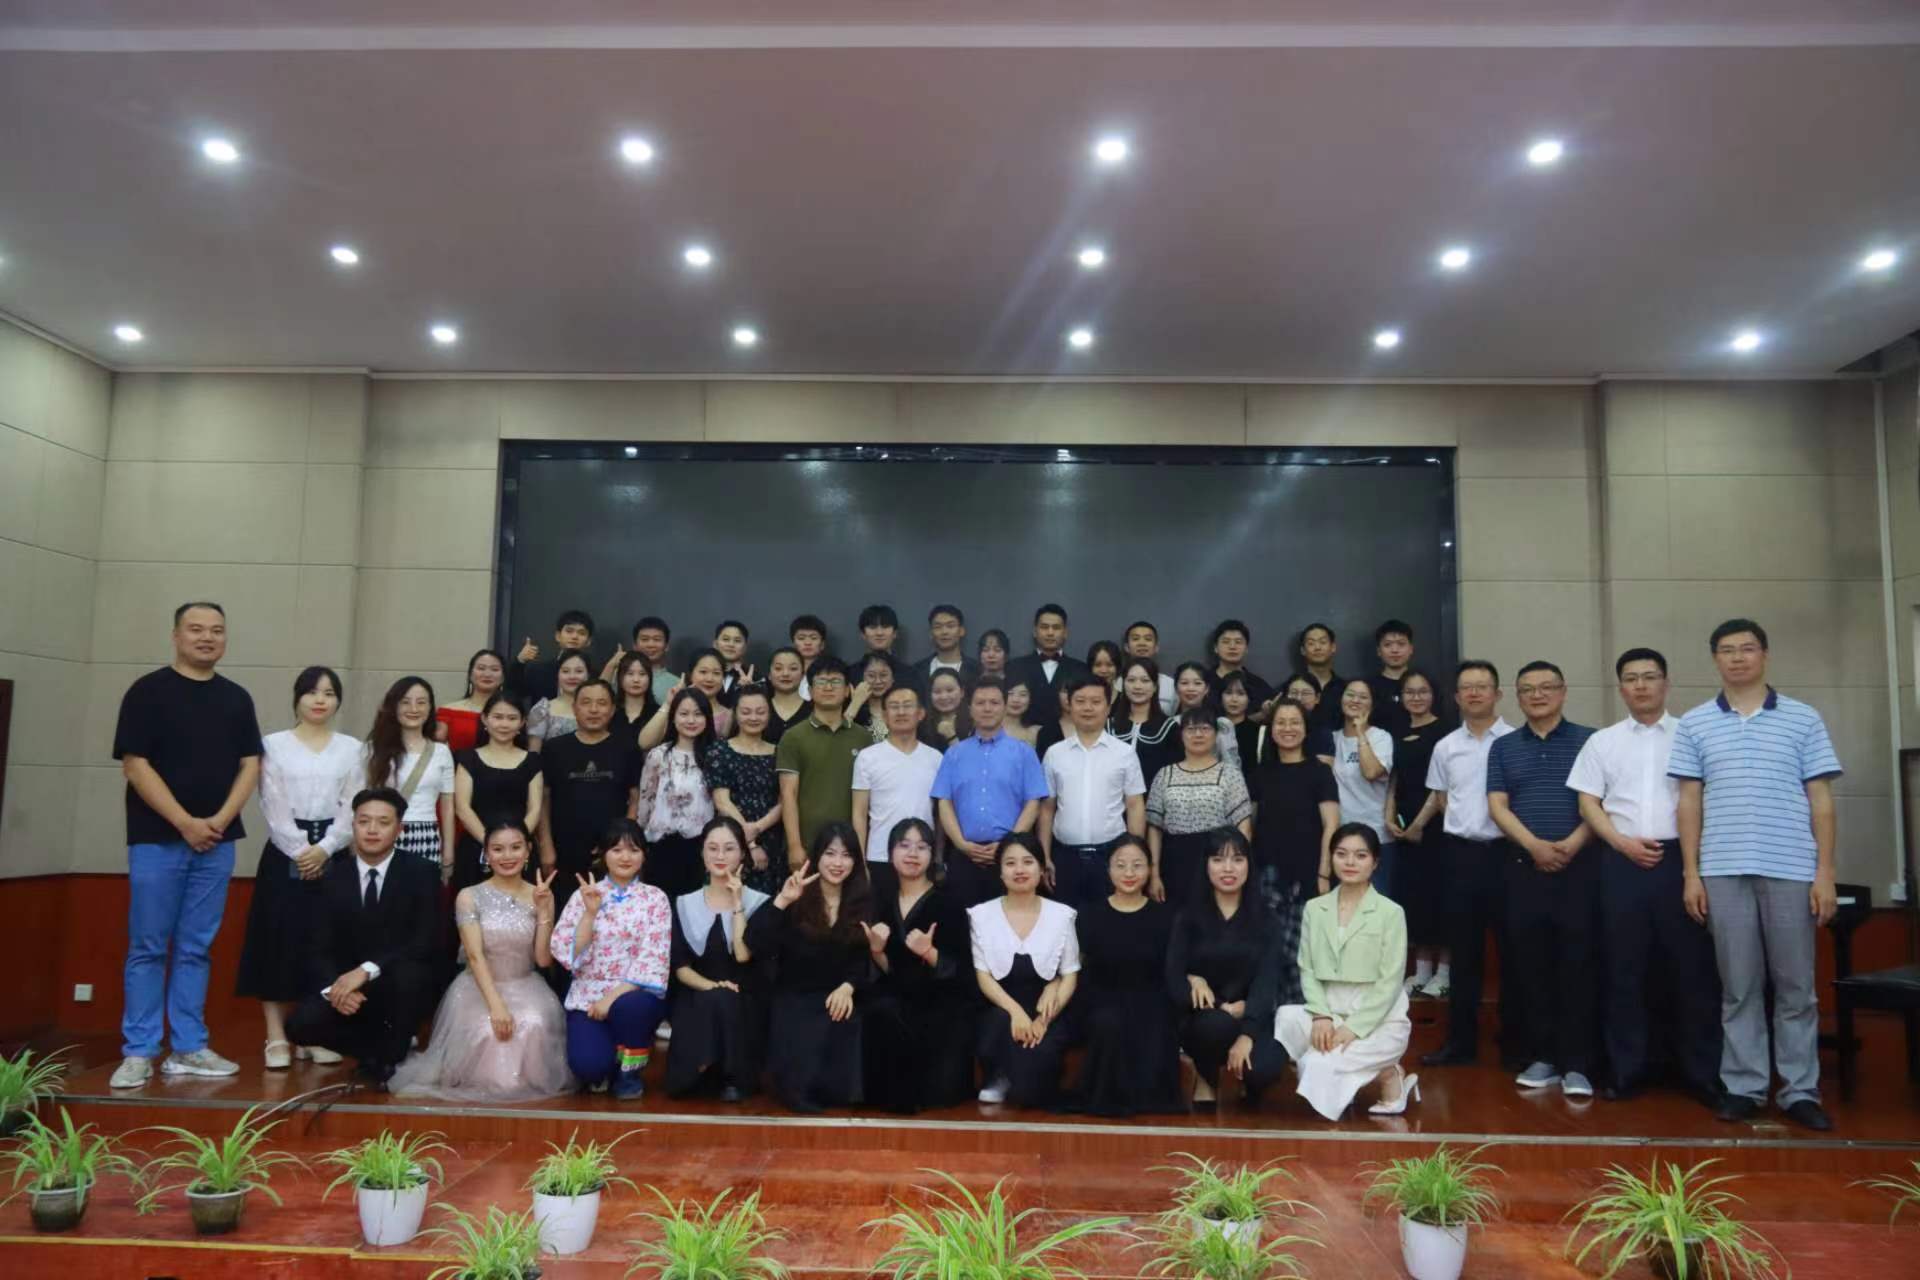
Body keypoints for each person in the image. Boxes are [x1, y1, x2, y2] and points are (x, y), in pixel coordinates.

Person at [1671, 619, 1841, 1132]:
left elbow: (1821, 800)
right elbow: (1689, 802)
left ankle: (1799, 1091)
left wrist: (1825, 872)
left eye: (1747, 648)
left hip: (1791, 868)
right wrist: (1691, 874)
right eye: (1727, 650)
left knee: (1796, 987)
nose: (1738, 658)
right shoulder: (1696, 723)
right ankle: (1744, 1086)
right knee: (1739, 986)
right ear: (1715, 659)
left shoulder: (1803, 718)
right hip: (1722, 870)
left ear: (1765, 654)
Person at [1568, 648, 1722, 1108]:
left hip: (1682, 862)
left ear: (1666, 683)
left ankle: (1700, 1073)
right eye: (1631, 678)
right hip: (1621, 862)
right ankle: (1627, 1070)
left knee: (1692, 970)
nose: (1641, 685)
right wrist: (1620, 843)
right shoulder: (1604, 741)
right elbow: (1588, 802)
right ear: (1621, 688)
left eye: (1650, 677)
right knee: (1624, 968)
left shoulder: (1693, 735)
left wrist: (1693, 866)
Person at [389, 822, 573, 1102]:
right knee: (489, 1031)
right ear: (486, 854)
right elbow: (474, 956)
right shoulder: (469, 896)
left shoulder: (540, 894)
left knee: (533, 1023)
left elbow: (542, 959)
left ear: (528, 851)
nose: (507, 856)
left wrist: (545, 910)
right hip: (479, 987)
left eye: (515, 847)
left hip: (525, 984)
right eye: (498, 849)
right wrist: (497, 1006)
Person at [236, 666, 358, 1072]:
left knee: (325, 942)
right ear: (297, 698)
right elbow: (272, 803)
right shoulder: (273, 746)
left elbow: (353, 805)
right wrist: (302, 851)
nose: (320, 700)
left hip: (334, 852)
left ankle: (312, 1033)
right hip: (283, 852)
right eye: (312, 692)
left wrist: (325, 849)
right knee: (278, 940)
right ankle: (275, 1036)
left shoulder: (352, 749)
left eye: (329, 693)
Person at [1488, 660, 1598, 1096]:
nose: (1537, 695)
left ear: (1563, 691)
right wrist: (1534, 846)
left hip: (1580, 868)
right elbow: (1498, 806)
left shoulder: (1591, 741)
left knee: (1579, 965)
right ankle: (1543, 1058)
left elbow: (1600, 803)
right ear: (1517, 697)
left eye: (1546, 687)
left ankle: (1578, 1063)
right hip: (1523, 868)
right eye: (1528, 689)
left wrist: (1571, 844)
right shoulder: (1504, 747)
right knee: (1530, 966)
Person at [286, 788, 442, 1086]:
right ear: (353, 825)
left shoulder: (421, 872)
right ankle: (378, 1053)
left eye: (383, 822)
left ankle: (388, 1052)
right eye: (364, 821)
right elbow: (317, 947)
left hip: (396, 982)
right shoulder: (331, 877)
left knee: (411, 977)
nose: (372, 830)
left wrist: (368, 970)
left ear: (399, 829)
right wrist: (335, 990)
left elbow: (424, 939)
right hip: (348, 988)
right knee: (300, 1024)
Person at [1417, 662, 1520, 1070]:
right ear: (1457, 697)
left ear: (1497, 693)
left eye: (1483, 686)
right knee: (1464, 953)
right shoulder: (1446, 746)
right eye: (1467, 688)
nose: (1475, 694)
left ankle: (1514, 1041)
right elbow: (1442, 799)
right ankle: (1460, 1044)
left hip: (1508, 855)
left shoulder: (1516, 741)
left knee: (1513, 951)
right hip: (1461, 856)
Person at [1277, 823, 1416, 1119]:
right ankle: (1362, 1075)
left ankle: (1388, 1074)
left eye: (1360, 855)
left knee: (1316, 1065)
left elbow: (1391, 982)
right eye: (1341, 854)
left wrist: (1353, 1028)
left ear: (1375, 862)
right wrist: (1321, 1015)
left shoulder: (1391, 912)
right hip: (1330, 1012)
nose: (1350, 862)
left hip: (1378, 1019)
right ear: (1331, 857)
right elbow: (1307, 967)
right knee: (1286, 1018)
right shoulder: (1315, 908)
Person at [747, 824, 874, 1112]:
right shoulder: (797, 894)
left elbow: (864, 959)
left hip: (840, 994)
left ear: (856, 861)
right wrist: (782, 901)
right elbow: (755, 942)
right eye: (830, 853)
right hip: (795, 994)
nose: (838, 863)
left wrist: (848, 987)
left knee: (847, 1019)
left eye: (846, 855)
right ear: (816, 857)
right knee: (801, 1031)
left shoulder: (864, 900)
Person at [551, 820, 673, 1100]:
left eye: (633, 850)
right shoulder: (584, 895)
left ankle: (629, 1072)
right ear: (603, 854)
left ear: (644, 855)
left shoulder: (655, 898)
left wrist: (610, 999)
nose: (625, 857)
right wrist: (590, 913)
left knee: (632, 1008)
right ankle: (607, 1064)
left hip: (633, 994)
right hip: (587, 996)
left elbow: (652, 959)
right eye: (616, 850)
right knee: (589, 1066)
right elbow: (566, 953)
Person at [1167, 829, 1288, 1109]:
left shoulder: (1267, 919)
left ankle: (1249, 1083)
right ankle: (1206, 1076)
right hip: (1204, 1019)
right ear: (1206, 865)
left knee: (1266, 1065)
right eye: (1218, 860)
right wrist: (1199, 985)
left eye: (1237, 859)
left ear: (1249, 865)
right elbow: (1173, 977)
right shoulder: (1188, 917)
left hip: (1253, 1015)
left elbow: (1267, 980)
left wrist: (1248, 1031)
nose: (1228, 868)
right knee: (1214, 1026)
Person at [861, 818, 975, 1114]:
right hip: (897, 1000)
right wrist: (877, 952)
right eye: (904, 845)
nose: (912, 854)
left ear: (932, 855)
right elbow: (889, 970)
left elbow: (964, 973)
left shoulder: (949, 903)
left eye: (921, 847)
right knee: (881, 1010)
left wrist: (931, 953)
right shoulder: (880, 903)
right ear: (890, 854)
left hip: (940, 1003)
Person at [1070, 836, 1182, 1116]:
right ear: (1108, 869)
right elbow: (1078, 967)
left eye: (1137, 865)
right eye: (1120, 865)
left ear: (1150, 869)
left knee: (1157, 1021)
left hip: (1151, 998)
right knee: (1108, 1021)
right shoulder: (1089, 914)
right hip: (1102, 997)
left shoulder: (1166, 916)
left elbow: (1174, 969)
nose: (1129, 873)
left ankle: (1149, 1098)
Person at [970, 834, 1079, 1107]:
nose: (1019, 870)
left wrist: (1043, 1020)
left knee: (1031, 1091)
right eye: (1010, 863)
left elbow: (1070, 973)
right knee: (994, 1025)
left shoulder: (1062, 915)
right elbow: (983, 975)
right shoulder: (980, 915)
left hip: (1046, 1009)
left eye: (1028, 862)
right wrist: (1015, 1012)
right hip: (1000, 1008)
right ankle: (997, 1075)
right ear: (1000, 871)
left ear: (1041, 869)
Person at [667, 817, 769, 1100]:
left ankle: (730, 1074)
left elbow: (744, 955)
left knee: (729, 1000)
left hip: (743, 996)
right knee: (712, 999)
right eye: (712, 848)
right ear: (702, 853)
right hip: (697, 992)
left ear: (743, 854)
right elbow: (681, 968)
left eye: (729, 848)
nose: (720, 856)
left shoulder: (760, 903)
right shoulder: (684, 903)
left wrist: (737, 904)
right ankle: (706, 1071)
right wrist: (713, 987)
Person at [1247, 699, 1340, 1005]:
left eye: (1295, 722)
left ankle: (1302, 1016)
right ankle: (1270, 1018)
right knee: (1268, 951)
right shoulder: (1261, 772)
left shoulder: (1320, 772)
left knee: (1302, 953)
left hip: (1309, 874)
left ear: (1306, 729)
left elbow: (1331, 825)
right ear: (1271, 730)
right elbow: (1251, 824)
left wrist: (1324, 873)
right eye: (1281, 722)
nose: (1288, 729)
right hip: (1267, 874)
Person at [932, 677, 1052, 906]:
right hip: (964, 856)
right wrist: (961, 844)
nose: (987, 708)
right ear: (970, 708)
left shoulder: (1023, 753)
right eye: (980, 703)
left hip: (1010, 859)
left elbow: (1033, 802)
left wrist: (1009, 844)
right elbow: (944, 802)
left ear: (1005, 706)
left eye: (994, 702)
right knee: (963, 922)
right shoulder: (954, 754)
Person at [1039, 674, 1147, 909]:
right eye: (1080, 701)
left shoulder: (1124, 753)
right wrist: (1045, 857)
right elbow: (1046, 809)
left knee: (1108, 922)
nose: (1088, 708)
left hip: (1111, 856)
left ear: (1108, 707)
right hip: (1065, 857)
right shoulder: (1054, 753)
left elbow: (1135, 805)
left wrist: (1134, 856)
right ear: (1069, 705)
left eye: (1096, 702)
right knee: (1067, 922)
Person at [538, 680, 638, 906]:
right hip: (563, 850)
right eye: (586, 703)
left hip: (613, 852)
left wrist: (622, 844)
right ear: (574, 708)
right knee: (566, 913)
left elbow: (635, 798)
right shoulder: (554, 748)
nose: (594, 710)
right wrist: (546, 845)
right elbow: (543, 799)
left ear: (612, 709)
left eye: (602, 703)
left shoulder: (627, 748)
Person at [1383, 671, 1450, 997]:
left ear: (1433, 695)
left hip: (1435, 828)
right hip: (1403, 829)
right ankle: (1421, 972)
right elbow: (1394, 778)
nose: (1416, 697)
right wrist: (1388, 815)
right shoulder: (1396, 731)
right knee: (1414, 899)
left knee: (1440, 900)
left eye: (1423, 691)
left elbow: (1442, 785)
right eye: (1410, 692)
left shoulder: (1445, 731)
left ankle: (1444, 973)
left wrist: (1419, 824)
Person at [1146, 709, 1253, 910]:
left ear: (1216, 734)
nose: (1198, 734)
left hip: (1216, 860)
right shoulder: (1164, 774)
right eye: (1191, 729)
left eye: (1205, 728)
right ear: (1181, 735)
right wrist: (1154, 873)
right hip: (1174, 863)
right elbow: (1154, 829)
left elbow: (1243, 827)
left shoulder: (1229, 774)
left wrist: (1236, 868)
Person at [853, 684, 944, 900]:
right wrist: (860, 861)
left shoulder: (936, 758)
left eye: (907, 706)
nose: (901, 712)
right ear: (884, 716)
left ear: (920, 713)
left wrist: (939, 857)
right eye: (894, 706)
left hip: (923, 856)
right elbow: (859, 813)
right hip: (880, 856)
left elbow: (941, 815)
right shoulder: (867, 757)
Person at [356, 676, 456, 872]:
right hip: (381, 833)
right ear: (393, 706)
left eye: (421, 702)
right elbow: (358, 799)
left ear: (430, 708)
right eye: (405, 702)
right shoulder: (372, 750)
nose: (414, 709)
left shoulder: (441, 752)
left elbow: (447, 807)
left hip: (426, 835)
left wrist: (448, 853)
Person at [776, 656, 869, 863]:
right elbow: (788, 794)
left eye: (835, 681)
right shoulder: (793, 737)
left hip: (849, 848)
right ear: (810, 691)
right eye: (821, 682)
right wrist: (794, 846)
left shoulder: (863, 737)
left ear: (847, 690)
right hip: (807, 845)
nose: (828, 687)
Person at [451, 692, 544, 891]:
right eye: (498, 717)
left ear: (522, 723)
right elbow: (462, 808)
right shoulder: (467, 758)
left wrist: (515, 845)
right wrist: (491, 844)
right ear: (485, 719)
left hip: (520, 852)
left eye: (512, 718)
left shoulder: (532, 761)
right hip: (476, 847)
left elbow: (535, 809)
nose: (504, 724)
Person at [635, 687, 719, 903]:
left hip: (701, 848)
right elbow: (646, 801)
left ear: (707, 718)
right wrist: (639, 843)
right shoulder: (658, 755)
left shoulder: (716, 755)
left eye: (698, 714)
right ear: (673, 717)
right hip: (660, 846)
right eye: (684, 713)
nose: (691, 720)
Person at [707, 685, 787, 898]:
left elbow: (784, 801)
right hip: (730, 841)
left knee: (766, 906)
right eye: (746, 712)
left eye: (760, 712)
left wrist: (758, 828)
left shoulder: (780, 752)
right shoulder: (719, 751)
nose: (753, 717)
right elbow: (722, 802)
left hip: (771, 839)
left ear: (769, 714)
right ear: (735, 713)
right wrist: (750, 843)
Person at [1319, 679, 1395, 898]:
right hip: (1341, 838)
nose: (1355, 700)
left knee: (1376, 905)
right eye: (1350, 695)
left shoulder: (1380, 737)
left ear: (1372, 703)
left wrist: (1361, 732)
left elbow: (1371, 771)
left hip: (1376, 836)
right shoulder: (1332, 739)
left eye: (1363, 697)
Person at [1005, 604, 1092, 727]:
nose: (1050, 633)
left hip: (1067, 735)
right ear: (1035, 632)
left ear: (1065, 633)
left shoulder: (1080, 669)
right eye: (1044, 627)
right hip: (1025, 735)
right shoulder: (1014, 667)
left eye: (1056, 628)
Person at [1112, 656, 1180, 788]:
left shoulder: (1170, 728)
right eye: (1131, 680)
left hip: (1155, 798)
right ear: (1123, 684)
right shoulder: (1109, 726)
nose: (1137, 686)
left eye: (1145, 681)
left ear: (1155, 686)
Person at [640, 649, 733, 745]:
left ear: (723, 678)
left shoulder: (730, 715)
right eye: (703, 672)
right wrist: (668, 704)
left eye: (716, 673)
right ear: (691, 675)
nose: (709, 679)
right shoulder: (676, 709)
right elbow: (645, 743)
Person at [509, 609, 595, 704]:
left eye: (581, 633)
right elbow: (514, 694)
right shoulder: (538, 671)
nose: (574, 636)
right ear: (558, 636)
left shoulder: (594, 676)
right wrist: (520, 661)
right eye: (569, 631)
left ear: (588, 641)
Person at [1172, 663, 1241, 770]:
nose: (1191, 688)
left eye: (1197, 683)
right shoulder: (1170, 724)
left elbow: (1231, 764)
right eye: (1184, 683)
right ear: (1176, 688)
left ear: (1207, 688)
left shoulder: (1221, 724)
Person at [436, 649, 506, 752]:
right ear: (470, 675)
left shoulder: (512, 713)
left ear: (503, 677)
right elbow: (435, 749)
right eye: (481, 668)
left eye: (494, 669)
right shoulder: (448, 711)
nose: (487, 674)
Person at [1205, 620, 1276, 718]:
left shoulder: (1259, 686)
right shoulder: (1203, 682)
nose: (1232, 647)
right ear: (1215, 648)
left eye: (1238, 642)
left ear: (1246, 648)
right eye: (1226, 642)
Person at [526, 649, 591, 751]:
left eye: (579, 671)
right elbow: (534, 753)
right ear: (558, 675)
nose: (572, 676)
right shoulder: (542, 709)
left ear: (588, 675)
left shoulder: (597, 709)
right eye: (565, 671)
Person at [1365, 620, 1419, 739]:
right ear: (1379, 651)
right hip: (1376, 747)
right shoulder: (1367, 687)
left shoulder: (1424, 685)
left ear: (1411, 649)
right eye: (1387, 645)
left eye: (1401, 644)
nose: (1395, 650)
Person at [911, 603, 981, 691]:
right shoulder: (917, 670)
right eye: (938, 627)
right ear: (931, 633)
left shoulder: (977, 670)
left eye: (950, 626)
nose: (944, 632)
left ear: (961, 631)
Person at [1295, 623, 1345, 736]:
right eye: (1311, 643)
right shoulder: (1291, 689)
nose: (1317, 647)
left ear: (1333, 647)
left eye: (1323, 642)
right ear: (1302, 650)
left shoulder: (1346, 689)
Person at [607, 650, 659, 757]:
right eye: (630, 674)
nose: (636, 680)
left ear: (650, 678)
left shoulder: (658, 714)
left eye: (642, 674)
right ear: (620, 677)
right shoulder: (609, 711)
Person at [1122, 620, 1179, 715]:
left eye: (1148, 639)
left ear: (1156, 647)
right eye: (1135, 639)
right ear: (1126, 647)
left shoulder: (1171, 685)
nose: (1142, 643)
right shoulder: (1117, 684)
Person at [849, 651, 904, 743]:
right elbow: (840, 737)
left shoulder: (901, 709)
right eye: (871, 676)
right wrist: (855, 704)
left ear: (893, 678)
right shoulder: (853, 708)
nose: (878, 681)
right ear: (863, 678)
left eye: (883, 675)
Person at [1219, 673, 1263, 784]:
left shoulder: (1259, 732)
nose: (1234, 699)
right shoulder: (1212, 729)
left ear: (1249, 698)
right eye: (1228, 693)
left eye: (1241, 693)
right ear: (1220, 697)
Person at [763, 647, 811, 745]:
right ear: (769, 675)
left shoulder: (815, 710)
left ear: (803, 675)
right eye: (778, 668)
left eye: (793, 669)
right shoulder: (759, 709)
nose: (785, 674)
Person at [632, 616, 682, 704]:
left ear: (666, 646)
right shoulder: (621, 678)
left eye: (657, 639)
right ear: (635, 646)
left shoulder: (677, 684)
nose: (651, 645)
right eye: (645, 639)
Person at [1282, 674, 1333, 757]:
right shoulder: (1276, 729)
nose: (1299, 698)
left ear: (1317, 698)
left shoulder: (1323, 734)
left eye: (1305, 693)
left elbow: (1324, 764)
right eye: (1294, 693)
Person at [925, 669, 970, 749]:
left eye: (950, 690)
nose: (944, 697)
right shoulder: (922, 723)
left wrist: (951, 736)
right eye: (937, 692)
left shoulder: (975, 721)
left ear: (962, 692)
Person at [712, 620, 754, 704]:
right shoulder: (702, 675)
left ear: (745, 647)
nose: (731, 644)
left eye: (737, 640)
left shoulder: (754, 678)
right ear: (715, 644)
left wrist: (751, 690)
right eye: (726, 639)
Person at [788, 618, 828, 703]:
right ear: (793, 644)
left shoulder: (832, 673)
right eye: (801, 638)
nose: (807, 643)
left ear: (822, 644)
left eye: (813, 638)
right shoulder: (784, 674)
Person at [1001, 680, 1043, 748]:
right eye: (1010, 693)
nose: (1016, 700)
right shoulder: (989, 728)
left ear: (1031, 699)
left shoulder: (1038, 732)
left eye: (1023, 695)